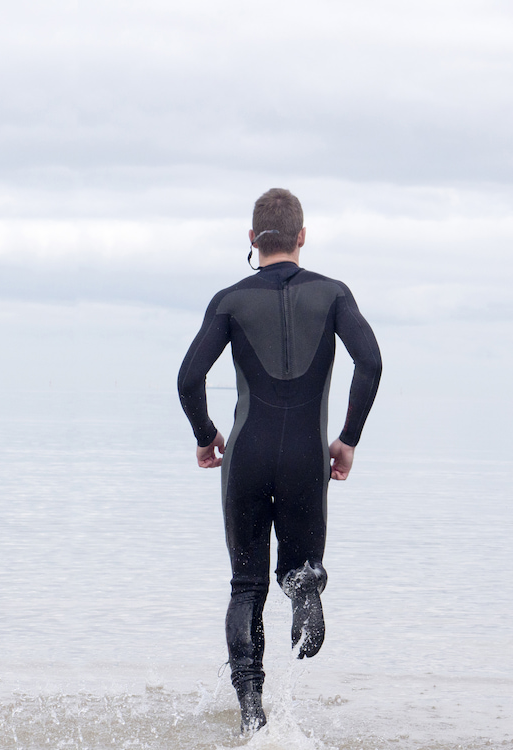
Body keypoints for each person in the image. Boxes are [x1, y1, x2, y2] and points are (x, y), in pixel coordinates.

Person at [177, 188, 382, 733]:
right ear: (302, 236)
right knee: (298, 571)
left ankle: (251, 713)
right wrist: (347, 440)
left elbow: (188, 378)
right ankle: (306, 590)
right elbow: (372, 363)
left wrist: (206, 436)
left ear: (252, 239)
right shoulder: (334, 295)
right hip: (306, 462)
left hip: (245, 455)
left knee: (246, 586)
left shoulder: (229, 300)